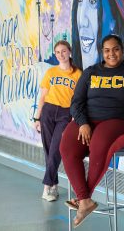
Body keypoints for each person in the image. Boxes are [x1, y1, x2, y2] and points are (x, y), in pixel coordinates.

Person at [60, 35, 124, 227]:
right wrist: (82, 123)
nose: (111, 53)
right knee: (66, 147)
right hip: (89, 121)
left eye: (115, 49)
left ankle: (82, 199)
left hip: (121, 121)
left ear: (122, 50)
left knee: (99, 143)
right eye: (107, 50)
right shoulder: (90, 72)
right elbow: (76, 103)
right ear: (102, 52)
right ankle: (85, 201)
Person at [34, 40, 81, 201]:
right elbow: (42, 97)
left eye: (64, 51)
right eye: (58, 52)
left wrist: (75, 116)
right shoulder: (51, 72)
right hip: (48, 111)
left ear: (69, 52)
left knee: (56, 149)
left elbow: (78, 99)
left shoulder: (78, 74)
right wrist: (37, 117)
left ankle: (47, 187)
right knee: (48, 149)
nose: (61, 55)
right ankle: (53, 185)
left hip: (65, 114)